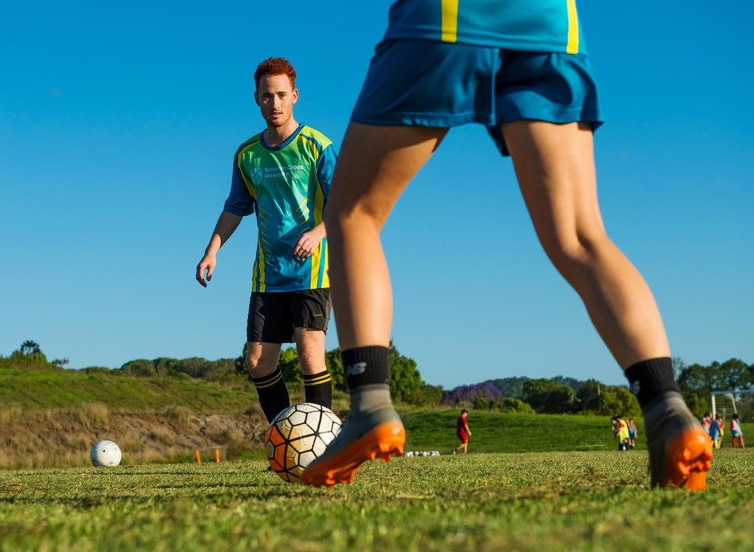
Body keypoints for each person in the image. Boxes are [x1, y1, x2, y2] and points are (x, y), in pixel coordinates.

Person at [301, 1, 713, 490]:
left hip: (446, 16)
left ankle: (370, 404)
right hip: (551, 23)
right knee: (581, 236)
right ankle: (667, 410)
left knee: (353, 213)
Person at [196, 57, 338, 424]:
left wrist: (318, 232)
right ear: (256, 99)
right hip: (268, 275)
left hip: (313, 272)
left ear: (294, 96)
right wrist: (212, 251)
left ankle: (321, 444)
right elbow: (234, 208)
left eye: (280, 95)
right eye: (266, 96)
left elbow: (345, 205)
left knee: (310, 357)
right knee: (258, 363)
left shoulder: (317, 146)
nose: (274, 103)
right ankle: (285, 436)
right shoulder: (247, 155)